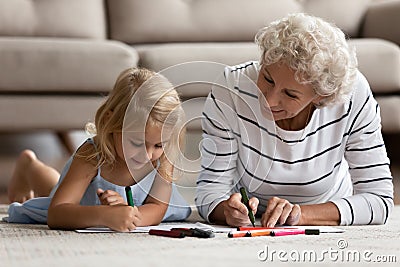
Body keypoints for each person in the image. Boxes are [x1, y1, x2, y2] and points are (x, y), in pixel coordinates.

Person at [195, 13, 394, 227]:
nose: (269, 101)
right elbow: (209, 194)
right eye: (268, 78)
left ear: (321, 96)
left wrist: (300, 215)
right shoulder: (231, 88)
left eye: (290, 94)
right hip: (254, 216)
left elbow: (379, 200)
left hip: (325, 209)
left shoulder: (353, 95)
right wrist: (228, 211)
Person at [6, 67, 191, 231]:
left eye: (158, 145)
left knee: (58, 186)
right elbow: (57, 212)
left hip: (128, 208)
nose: (148, 155)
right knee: (53, 191)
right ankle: (29, 164)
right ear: (110, 122)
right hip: (82, 205)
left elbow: (158, 207)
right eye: (136, 143)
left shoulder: (163, 155)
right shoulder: (92, 154)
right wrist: (104, 215)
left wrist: (130, 214)